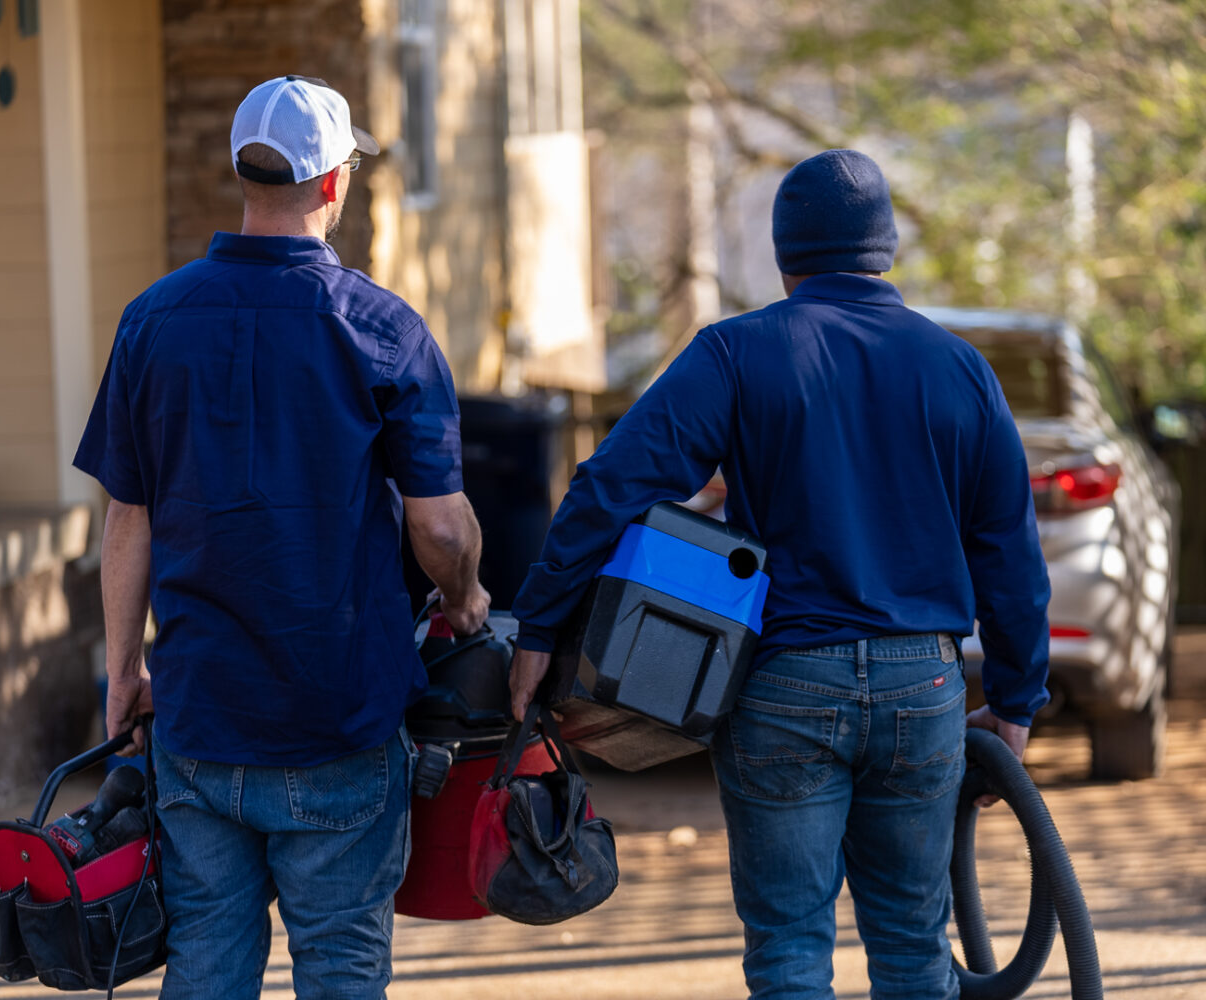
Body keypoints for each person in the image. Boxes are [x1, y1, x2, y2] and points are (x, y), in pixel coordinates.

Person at [508, 149, 1050, 999]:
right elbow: (1011, 556)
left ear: (784, 252)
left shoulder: (738, 353)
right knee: (914, 941)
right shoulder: (960, 369)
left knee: (792, 946)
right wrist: (1016, 701)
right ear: (887, 247)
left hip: (785, 684)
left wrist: (539, 627)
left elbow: (610, 486)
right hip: (924, 686)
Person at [74, 75, 490, 1000]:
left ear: (241, 173)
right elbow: (437, 521)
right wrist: (463, 597)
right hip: (337, 717)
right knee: (340, 968)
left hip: (201, 718)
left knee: (210, 967)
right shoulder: (382, 328)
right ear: (336, 184)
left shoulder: (152, 320)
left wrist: (125, 675)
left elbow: (126, 519)